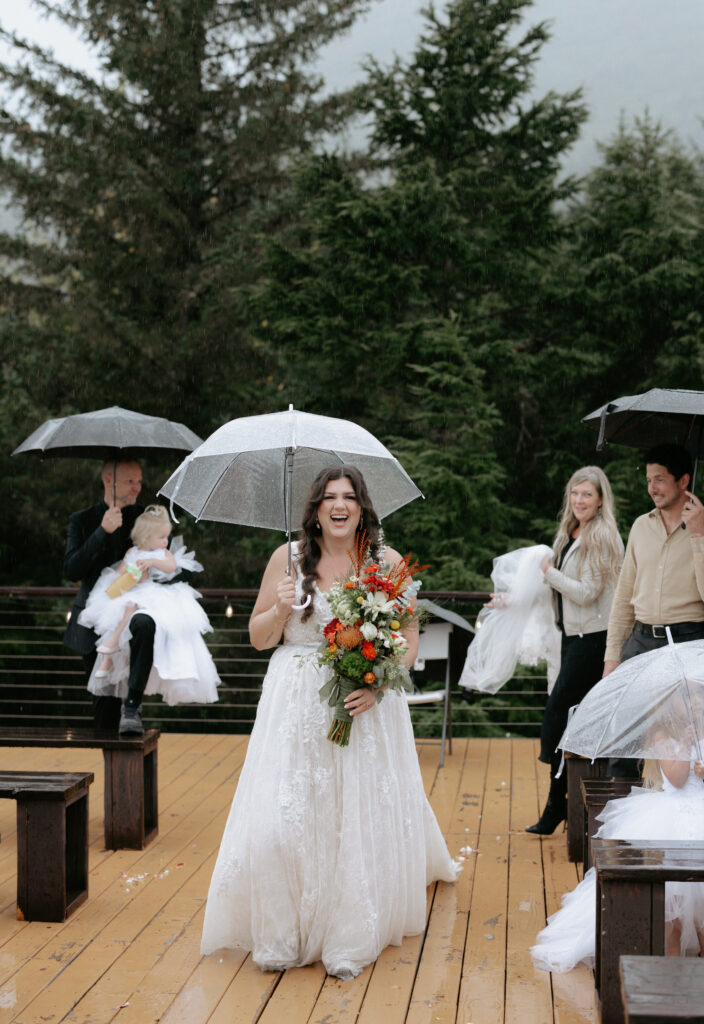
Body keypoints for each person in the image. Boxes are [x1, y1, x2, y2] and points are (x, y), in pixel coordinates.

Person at [200, 465, 457, 980]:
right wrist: (278, 609)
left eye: (349, 497)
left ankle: (348, 930)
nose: (339, 506)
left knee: (352, 819)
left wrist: (379, 683)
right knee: (283, 820)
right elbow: (257, 638)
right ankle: (280, 930)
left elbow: (407, 640)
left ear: (363, 507)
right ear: (315, 508)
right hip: (293, 704)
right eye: (329, 497)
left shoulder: (384, 562)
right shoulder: (287, 560)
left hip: (362, 705)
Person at [531, 748, 704, 970]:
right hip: (673, 814)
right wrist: (686, 745)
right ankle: (672, 957)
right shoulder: (667, 736)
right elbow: (677, 780)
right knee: (674, 896)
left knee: (699, 896)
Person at [526, 466, 624, 835]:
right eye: (575, 493)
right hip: (573, 637)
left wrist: (549, 572)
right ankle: (557, 807)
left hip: (594, 640)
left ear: (601, 500)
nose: (579, 500)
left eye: (587, 494)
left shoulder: (602, 535)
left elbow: (586, 592)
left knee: (556, 716)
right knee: (567, 720)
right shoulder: (569, 533)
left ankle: (562, 807)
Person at [603, 443, 704, 774]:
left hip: (689, 643)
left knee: (690, 738)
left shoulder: (703, 526)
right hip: (641, 641)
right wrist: (612, 657)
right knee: (624, 736)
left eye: (660, 479)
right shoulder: (640, 527)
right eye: (649, 479)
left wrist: (699, 536)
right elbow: (623, 598)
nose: (652, 488)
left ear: (683, 480)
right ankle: (619, 815)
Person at [78, 504, 220, 709]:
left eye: (166, 537)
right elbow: (120, 572)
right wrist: (131, 574)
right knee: (123, 610)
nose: (165, 542)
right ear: (145, 537)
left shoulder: (163, 554)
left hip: (154, 595)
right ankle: (108, 658)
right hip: (134, 590)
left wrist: (152, 561)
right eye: (161, 538)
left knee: (133, 611)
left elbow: (171, 567)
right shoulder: (132, 552)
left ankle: (112, 645)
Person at [63, 460, 145, 730]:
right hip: (92, 626)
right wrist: (102, 532)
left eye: (139, 481)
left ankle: (136, 773)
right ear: (109, 480)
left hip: (133, 621)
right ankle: (112, 772)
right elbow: (72, 569)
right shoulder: (82, 519)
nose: (137, 487)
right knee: (104, 710)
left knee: (133, 713)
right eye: (131, 481)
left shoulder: (144, 517)